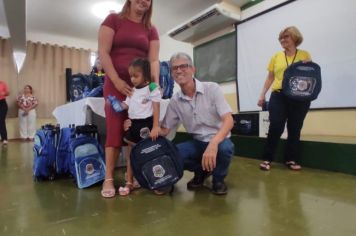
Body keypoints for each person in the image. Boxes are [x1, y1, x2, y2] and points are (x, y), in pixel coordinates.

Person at [98, 0, 160, 198]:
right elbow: (103, 52)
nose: (144, 1)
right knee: (115, 128)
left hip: (140, 88)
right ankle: (109, 177)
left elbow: (153, 60)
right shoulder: (113, 20)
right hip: (116, 85)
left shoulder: (151, 29)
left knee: (137, 129)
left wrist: (154, 85)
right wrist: (115, 80)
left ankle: (131, 176)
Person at [160, 52, 235, 195]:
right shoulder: (175, 101)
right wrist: (141, 126)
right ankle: (201, 171)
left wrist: (213, 144)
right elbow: (164, 129)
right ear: (171, 74)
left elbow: (229, 120)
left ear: (193, 69)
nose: (179, 70)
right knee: (174, 154)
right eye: (174, 68)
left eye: (183, 66)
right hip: (198, 142)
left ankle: (218, 179)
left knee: (225, 149)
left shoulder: (212, 88)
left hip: (219, 140)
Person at [257, 26, 312, 171]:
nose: (282, 40)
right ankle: (267, 158)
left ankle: (291, 159)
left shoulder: (304, 55)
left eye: (286, 37)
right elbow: (270, 78)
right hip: (279, 95)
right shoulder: (276, 56)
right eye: (281, 38)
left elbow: (309, 76)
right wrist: (262, 94)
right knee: (275, 126)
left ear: (294, 37)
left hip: (299, 97)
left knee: (295, 128)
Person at [114, 57, 161, 196]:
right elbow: (125, 105)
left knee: (149, 153)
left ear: (145, 74)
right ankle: (129, 182)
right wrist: (116, 105)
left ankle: (155, 179)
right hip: (133, 124)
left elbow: (156, 108)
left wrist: (156, 126)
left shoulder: (151, 88)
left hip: (146, 124)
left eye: (136, 75)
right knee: (131, 154)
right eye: (131, 76)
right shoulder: (132, 91)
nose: (132, 79)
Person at [0, 80, 10, 145]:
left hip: (2, 103)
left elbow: (8, 93)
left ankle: (4, 139)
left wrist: (4, 93)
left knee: (1, 120)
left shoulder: (2, 83)